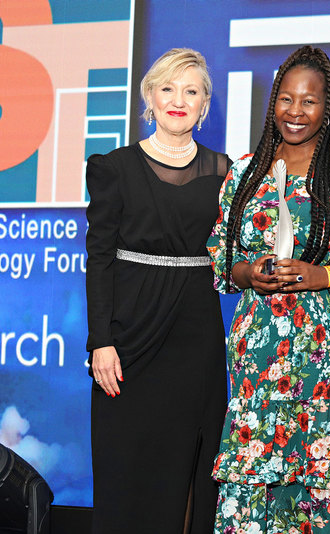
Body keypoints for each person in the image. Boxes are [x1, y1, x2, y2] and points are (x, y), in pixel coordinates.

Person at [206, 46, 330, 534]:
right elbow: (219, 258)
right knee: (255, 493)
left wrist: (320, 275)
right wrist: (251, 273)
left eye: (308, 102)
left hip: (329, 355)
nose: (295, 112)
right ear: (272, 104)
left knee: (327, 490)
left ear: (328, 107)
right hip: (259, 357)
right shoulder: (245, 171)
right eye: (286, 99)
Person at [85, 48, 230, 533]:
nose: (178, 100)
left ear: (205, 105)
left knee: (190, 464)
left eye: (191, 91)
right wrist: (100, 341)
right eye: (167, 88)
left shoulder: (223, 170)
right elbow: (99, 258)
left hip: (196, 335)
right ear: (149, 96)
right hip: (129, 334)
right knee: (126, 463)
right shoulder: (115, 167)